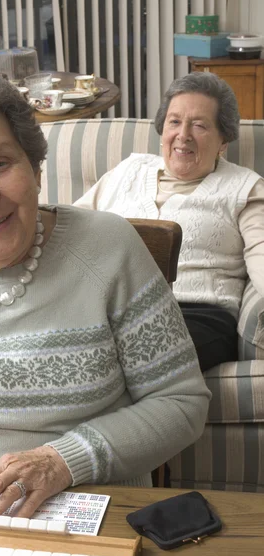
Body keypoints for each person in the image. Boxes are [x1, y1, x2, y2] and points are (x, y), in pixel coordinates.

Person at [0, 69, 210, 518]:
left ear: (35, 165)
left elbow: (181, 403)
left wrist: (63, 460)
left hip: (81, 512)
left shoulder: (109, 250)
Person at [75, 71, 264, 373]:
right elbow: (70, 225)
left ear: (223, 140)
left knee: (113, 362)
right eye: (174, 121)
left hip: (195, 315)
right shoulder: (129, 169)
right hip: (111, 309)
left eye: (199, 125)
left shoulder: (245, 188)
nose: (183, 134)